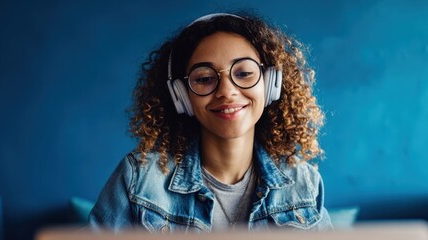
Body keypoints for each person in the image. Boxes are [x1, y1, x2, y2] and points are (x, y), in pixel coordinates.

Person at [88, 12, 332, 233]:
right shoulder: (138, 179)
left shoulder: (304, 183)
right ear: (182, 96)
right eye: (204, 78)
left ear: (270, 84)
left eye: (244, 73)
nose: (227, 91)